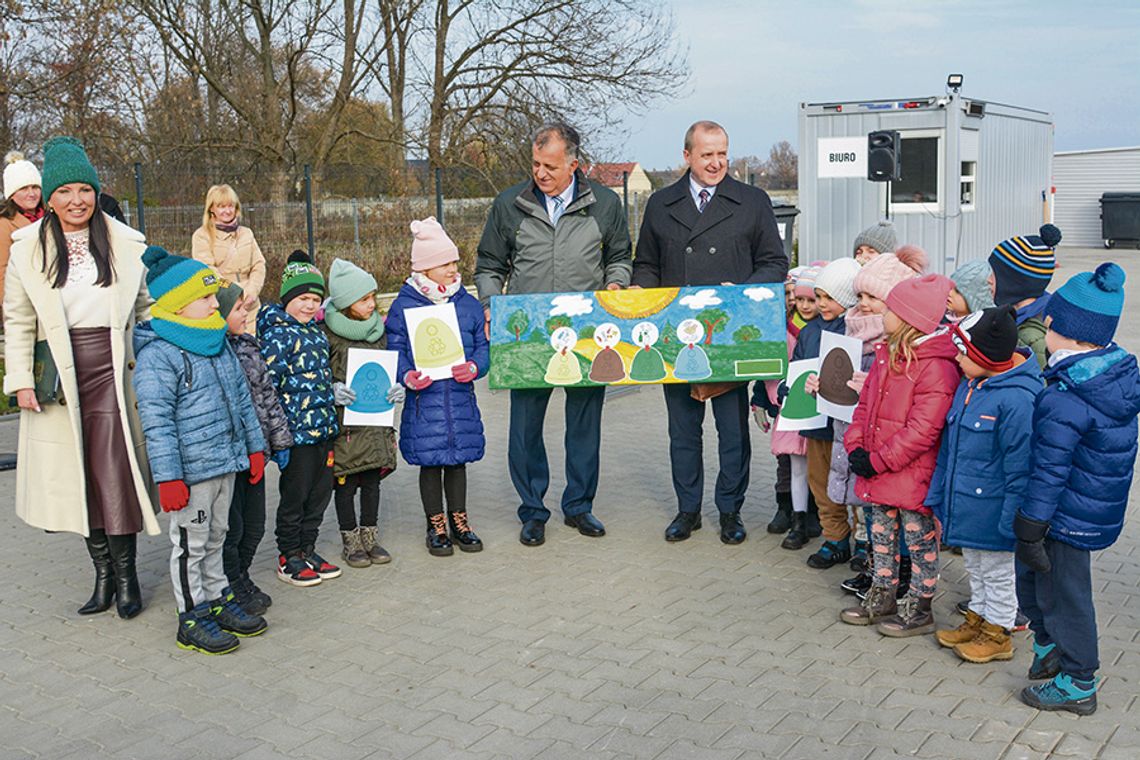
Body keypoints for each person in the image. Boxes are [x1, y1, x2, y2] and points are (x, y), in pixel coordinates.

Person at [3, 136, 157, 619]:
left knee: (118, 476)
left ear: (95, 192)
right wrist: (21, 379)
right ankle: (103, 577)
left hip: (117, 373)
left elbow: (147, 310)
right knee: (79, 479)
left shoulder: (125, 243)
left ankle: (128, 578)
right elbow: (19, 318)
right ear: (49, 198)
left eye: (84, 190)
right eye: (65, 191)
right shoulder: (27, 249)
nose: (77, 201)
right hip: (60, 381)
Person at [475, 123, 631, 547]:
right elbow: (489, 265)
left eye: (550, 166)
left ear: (574, 165)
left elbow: (620, 255)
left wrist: (615, 284)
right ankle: (533, 510)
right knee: (525, 427)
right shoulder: (510, 203)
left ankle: (579, 506)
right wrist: (492, 307)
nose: (540, 173)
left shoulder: (604, 203)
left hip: (586, 332)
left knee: (585, 424)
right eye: (535, 164)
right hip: (526, 333)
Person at [632, 120, 788, 544]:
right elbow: (645, 263)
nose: (717, 162)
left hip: (728, 336)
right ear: (687, 156)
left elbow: (775, 263)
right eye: (707, 154)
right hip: (674, 335)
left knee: (732, 431)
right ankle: (687, 510)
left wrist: (744, 293)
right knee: (682, 430)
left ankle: (730, 511)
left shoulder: (753, 201)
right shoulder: (661, 203)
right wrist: (636, 294)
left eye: (722, 153)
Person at [1014, 263, 1138, 715]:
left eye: (1050, 320)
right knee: (1035, 583)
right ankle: (1049, 647)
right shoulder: (1107, 375)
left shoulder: (1068, 395)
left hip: (1064, 516)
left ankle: (1079, 681)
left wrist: (1031, 524)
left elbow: (1050, 468)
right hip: (1082, 508)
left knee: (1066, 596)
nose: (1044, 324)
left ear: (1062, 328)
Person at [133, 246, 268, 654]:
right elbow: (156, 422)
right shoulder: (159, 354)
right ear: (178, 303)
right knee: (191, 543)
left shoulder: (216, 342)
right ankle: (191, 615)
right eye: (206, 297)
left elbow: (242, 400)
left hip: (225, 461)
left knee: (216, 536)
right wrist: (168, 477)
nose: (215, 303)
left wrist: (254, 447)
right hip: (191, 473)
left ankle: (218, 597)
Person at [839, 274, 960, 636]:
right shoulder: (885, 355)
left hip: (909, 473)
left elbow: (923, 431)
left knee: (919, 540)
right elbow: (864, 407)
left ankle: (920, 605)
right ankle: (883, 593)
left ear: (908, 318)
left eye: (890, 308)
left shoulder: (937, 366)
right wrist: (856, 445)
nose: (883, 313)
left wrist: (878, 460)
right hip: (878, 468)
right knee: (880, 534)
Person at [927, 305, 1041, 664]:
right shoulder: (971, 385)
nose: (956, 358)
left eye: (963, 351)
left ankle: (999, 632)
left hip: (995, 510)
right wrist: (940, 494)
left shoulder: (1017, 399)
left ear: (984, 355)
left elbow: (1020, 467)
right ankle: (978, 618)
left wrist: (1012, 519)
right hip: (968, 505)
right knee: (974, 566)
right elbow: (950, 448)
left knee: (998, 573)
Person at [829, 246, 927, 596]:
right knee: (873, 511)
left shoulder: (900, 344)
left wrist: (865, 385)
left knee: (898, 517)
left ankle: (899, 572)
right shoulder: (855, 331)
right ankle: (876, 567)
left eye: (873, 296)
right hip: (863, 443)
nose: (864, 303)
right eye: (860, 295)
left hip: (893, 450)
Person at [389, 218, 489, 556]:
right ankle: (436, 524)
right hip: (424, 401)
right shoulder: (404, 306)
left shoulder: (467, 304)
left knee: (458, 461)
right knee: (430, 462)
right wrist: (406, 375)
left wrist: (475, 366)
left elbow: (483, 348)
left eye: (454, 262)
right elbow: (395, 349)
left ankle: (460, 520)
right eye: (445, 263)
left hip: (459, 399)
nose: (452, 269)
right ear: (426, 268)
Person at [258, 251, 341, 586]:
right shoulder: (277, 334)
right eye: (303, 298)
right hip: (297, 436)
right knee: (295, 496)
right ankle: (288, 554)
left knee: (320, 494)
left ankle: (308, 548)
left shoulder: (318, 333)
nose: (309, 305)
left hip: (324, 431)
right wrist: (276, 437)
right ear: (288, 297)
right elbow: (268, 388)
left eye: (316, 299)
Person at [216, 281, 293, 615]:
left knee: (255, 525)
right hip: (232, 458)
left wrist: (279, 441)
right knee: (232, 529)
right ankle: (230, 584)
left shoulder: (249, 346)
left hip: (257, 452)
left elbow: (267, 398)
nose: (246, 312)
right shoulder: (214, 353)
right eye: (238, 308)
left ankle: (242, 576)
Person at [323, 258, 403, 567]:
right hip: (346, 427)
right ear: (346, 303)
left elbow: (387, 370)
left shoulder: (378, 332)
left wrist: (396, 388)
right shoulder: (329, 335)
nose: (372, 304)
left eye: (373, 297)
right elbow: (320, 376)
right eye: (364, 299)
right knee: (346, 483)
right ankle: (350, 540)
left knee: (372, 481)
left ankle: (370, 536)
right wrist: (332, 389)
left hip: (375, 425)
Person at [797, 257, 861, 564]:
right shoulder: (809, 332)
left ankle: (864, 541)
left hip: (848, 424)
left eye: (829, 298)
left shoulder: (855, 329)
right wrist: (792, 388)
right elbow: (797, 368)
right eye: (818, 296)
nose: (821, 304)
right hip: (817, 423)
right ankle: (835, 538)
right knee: (821, 483)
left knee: (854, 484)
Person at [752, 264, 820, 547]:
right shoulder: (778, 327)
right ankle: (788, 509)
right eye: (791, 295)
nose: (797, 302)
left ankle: (814, 512)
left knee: (817, 463)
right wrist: (763, 398)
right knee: (788, 463)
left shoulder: (824, 327)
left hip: (816, 408)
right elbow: (766, 366)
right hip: (785, 404)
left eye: (805, 297)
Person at [192, 184, 267, 335]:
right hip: (225, 303)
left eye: (230, 206)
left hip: (252, 304)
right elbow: (207, 269)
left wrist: (252, 291)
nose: (227, 211)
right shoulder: (202, 236)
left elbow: (259, 265)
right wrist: (234, 294)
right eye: (221, 206)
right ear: (212, 208)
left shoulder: (247, 233)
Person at [988, 225, 1061, 369]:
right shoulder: (1016, 315)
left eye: (994, 274)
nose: (988, 280)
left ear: (1013, 282)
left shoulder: (1036, 333)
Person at [2, 151, 44, 309]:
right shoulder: (5, 224)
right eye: (24, 189)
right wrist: (11, 309)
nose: (32, 194)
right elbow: (2, 271)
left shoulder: (51, 217)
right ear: (12, 194)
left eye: (35, 187)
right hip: (25, 303)